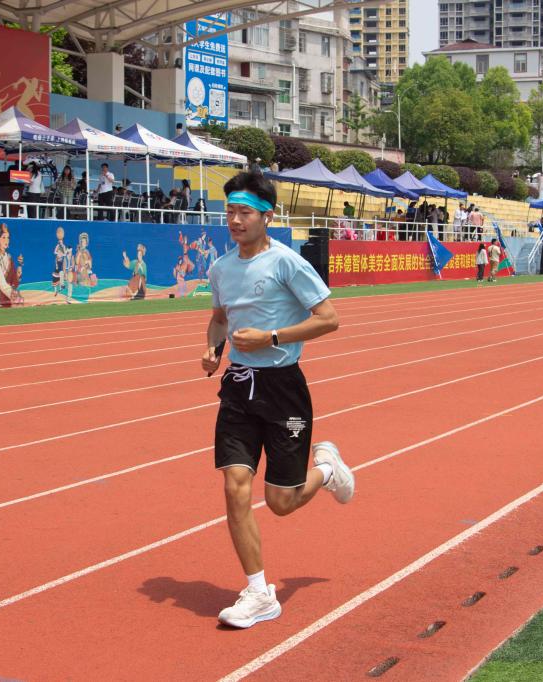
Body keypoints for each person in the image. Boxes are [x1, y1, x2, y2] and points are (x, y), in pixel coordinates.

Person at [202, 171, 354, 630]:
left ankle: (327, 471)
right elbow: (219, 318)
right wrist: (213, 349)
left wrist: (271, 337)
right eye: (230, 211)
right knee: (235, 486)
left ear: (267, 216)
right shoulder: (221, 268)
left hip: (284, 390)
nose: (235, 220)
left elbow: (329, 318)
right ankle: (257, 592)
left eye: (244, 212)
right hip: (238, 388)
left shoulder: (288, 263)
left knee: (281, 502)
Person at [0, 223, 23, 308]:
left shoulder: (9, 257)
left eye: (8, 237)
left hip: (9, 297)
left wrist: (19, 266)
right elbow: (1, 283)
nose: (6, 240)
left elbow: (14, 281)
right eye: (3, 237)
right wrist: (14, 296)